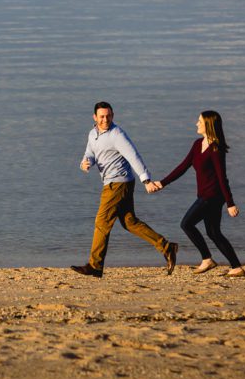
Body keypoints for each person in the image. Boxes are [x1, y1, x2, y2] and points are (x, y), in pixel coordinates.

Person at [71, 101, 178, 278]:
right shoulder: (93, 134)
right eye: (102, 116)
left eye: (109, 116)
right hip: (118, 183)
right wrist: (85, 162)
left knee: (101, 222)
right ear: (95, 117)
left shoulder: (117, 134)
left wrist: (146, 180)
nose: (106, 120)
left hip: (118, 183)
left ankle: (95, 266)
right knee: (130, 222)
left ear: (113, 115)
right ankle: (167, 247)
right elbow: (90, 152)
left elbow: (133, 155)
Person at [146, 110, 244, 277]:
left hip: (212, 197)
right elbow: (183, 167)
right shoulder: (198, 144)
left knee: (186, 224)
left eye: (199, 121)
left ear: (208, 124)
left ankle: (207, 259)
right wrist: (162, 183)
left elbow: (222, 177)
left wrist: (230, 203)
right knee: (213, 232)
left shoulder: (215, 148)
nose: (196, 124)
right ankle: (236, 267)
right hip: (205, 196)